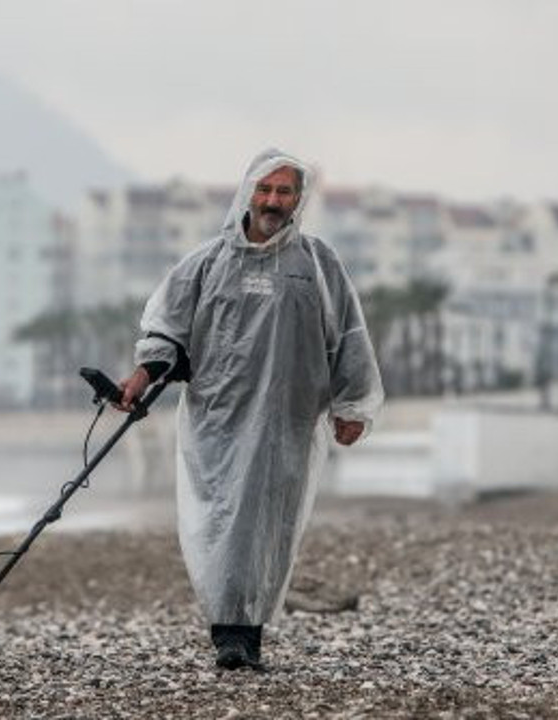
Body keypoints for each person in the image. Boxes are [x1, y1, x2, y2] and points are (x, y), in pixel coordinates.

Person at [114, 148, 384, 671]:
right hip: (219, 420)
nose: (273, 201)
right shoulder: (207, 262)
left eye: (284, 192)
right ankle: (230, 634)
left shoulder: (318, 265)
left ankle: (247, 632)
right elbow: (166, 329)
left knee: (270, 527)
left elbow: (350, 335)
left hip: (289, 421)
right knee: (222, 522)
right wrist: (143, 374)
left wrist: (353, 404)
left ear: (298, 201)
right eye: (265, 190)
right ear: (247, 193)